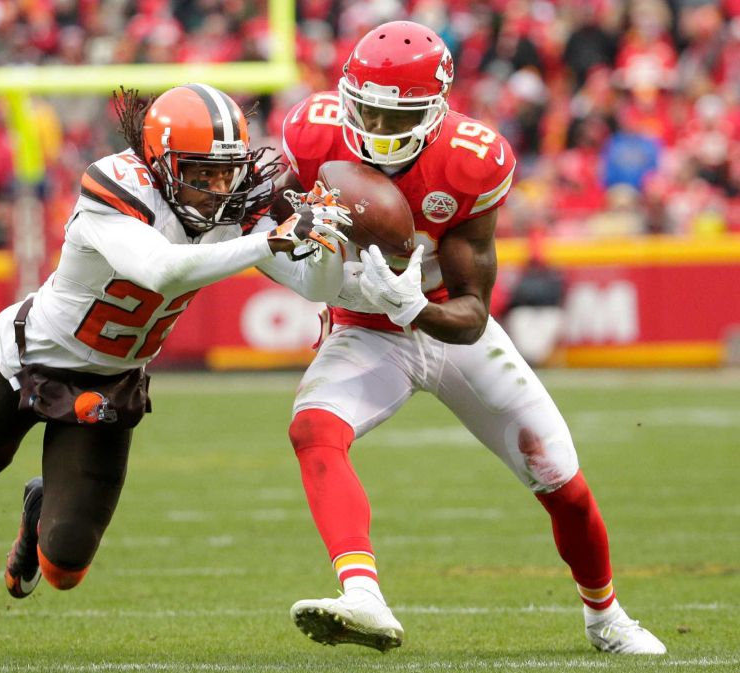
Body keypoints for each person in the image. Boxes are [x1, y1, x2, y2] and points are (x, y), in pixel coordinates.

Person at [270, 21, 667, 655]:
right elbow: (279, 228)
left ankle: (606, 617)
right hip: (363, 330)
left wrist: (412, 306)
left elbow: (474, 313)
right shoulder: (310, 133)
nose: (373, 129)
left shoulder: (470, 162)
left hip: (445, 326)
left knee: (559, 477)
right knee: (312, 428)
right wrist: (315, 263)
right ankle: (363, 596)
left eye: (392, 117)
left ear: (436, 112)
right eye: (365, 110)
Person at [0, 83, 348, 598]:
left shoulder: (237, 212)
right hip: (33, 359)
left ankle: (38, 514)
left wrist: (325, 244)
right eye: (198, 172)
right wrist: (271, 238)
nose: (215, 187)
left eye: (223, 172)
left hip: (112, 384)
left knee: (64, 569)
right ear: (161, 164)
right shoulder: (118, 188)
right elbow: (162, 270)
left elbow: (316, 288)